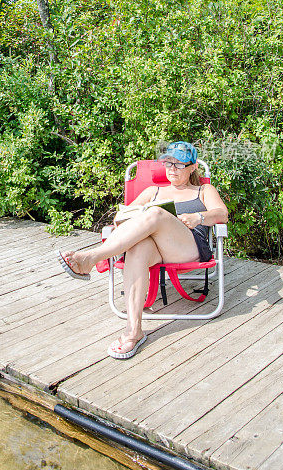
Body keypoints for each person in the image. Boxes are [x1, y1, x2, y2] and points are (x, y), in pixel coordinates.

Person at [58, 141, 228, 360]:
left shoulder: (204, 190)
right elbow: (121, 219)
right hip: (155, 249)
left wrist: (199, 217)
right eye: (168, 163)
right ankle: (134, 330)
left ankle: (92, 257)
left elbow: (222, 214)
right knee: (137, 247)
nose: (172, 169)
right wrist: (126, 222)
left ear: (193, 167)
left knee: (156, 214)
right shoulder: (152, 191)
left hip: (188, 247)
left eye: (179, 164)